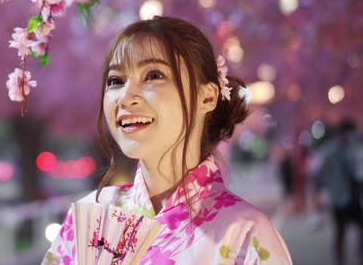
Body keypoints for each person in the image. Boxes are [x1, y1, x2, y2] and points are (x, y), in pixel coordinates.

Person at [41, 16, 292, 264]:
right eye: (115, 81)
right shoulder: (91, 219)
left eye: (153, 75)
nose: (126, 98)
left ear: (206, 97)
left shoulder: (246, 234)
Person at [316, 118, 363, 265]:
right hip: (338, 198)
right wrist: (321, 191)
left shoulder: (352, 148)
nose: (352, 135)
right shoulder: (329, 151)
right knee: (340, 231)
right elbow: (321, 173)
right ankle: (340, 260)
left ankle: (359, 253)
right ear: (343, 133)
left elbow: (357, 171)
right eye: (350, 132)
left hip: (352, 196)